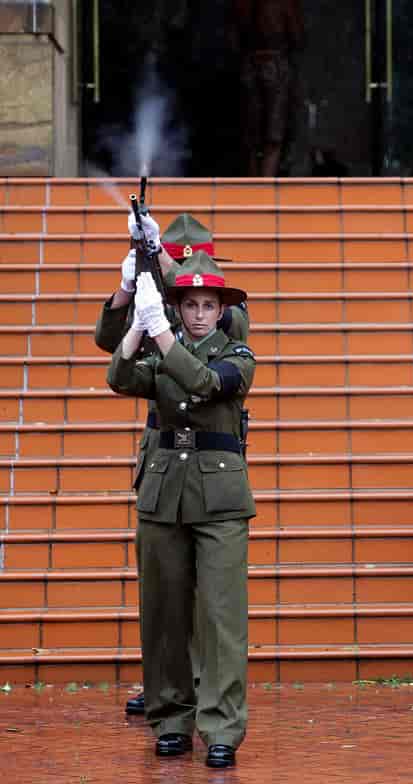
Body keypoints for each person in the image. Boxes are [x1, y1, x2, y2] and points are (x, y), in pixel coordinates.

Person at [95, 212, 249, 718]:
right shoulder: (163, 300)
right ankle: (169, 692)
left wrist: (159, 265)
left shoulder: (220, 312)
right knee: (164, 593)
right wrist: (126, 290)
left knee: (214, 600)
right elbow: (112, 351)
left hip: (210, 457)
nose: (197, 308)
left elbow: (212, 358)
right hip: (166, 452)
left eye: (190, 262)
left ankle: (207, 690)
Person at [229, 0, 306, 176]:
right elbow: (298, 36)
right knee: (274, 136)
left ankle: (254, 187)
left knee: (252, 137)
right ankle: (264, 189)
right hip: (275, 64)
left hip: (249, 65)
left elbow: (233, 40)